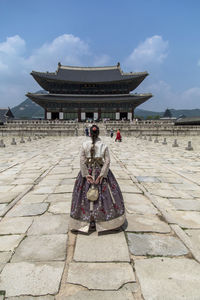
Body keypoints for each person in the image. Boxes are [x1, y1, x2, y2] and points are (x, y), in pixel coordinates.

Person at [69, 124, 125, 232]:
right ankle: (102, 220)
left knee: (84, 196)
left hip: (88, 173)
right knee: (103, 197)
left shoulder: (84, 144)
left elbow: (81, 160)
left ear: (89, 133)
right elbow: (107, 161)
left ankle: (86, 220)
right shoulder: (104, 145)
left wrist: (86, 175)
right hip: (100, 172)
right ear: (98, 133)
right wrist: (102, 175)